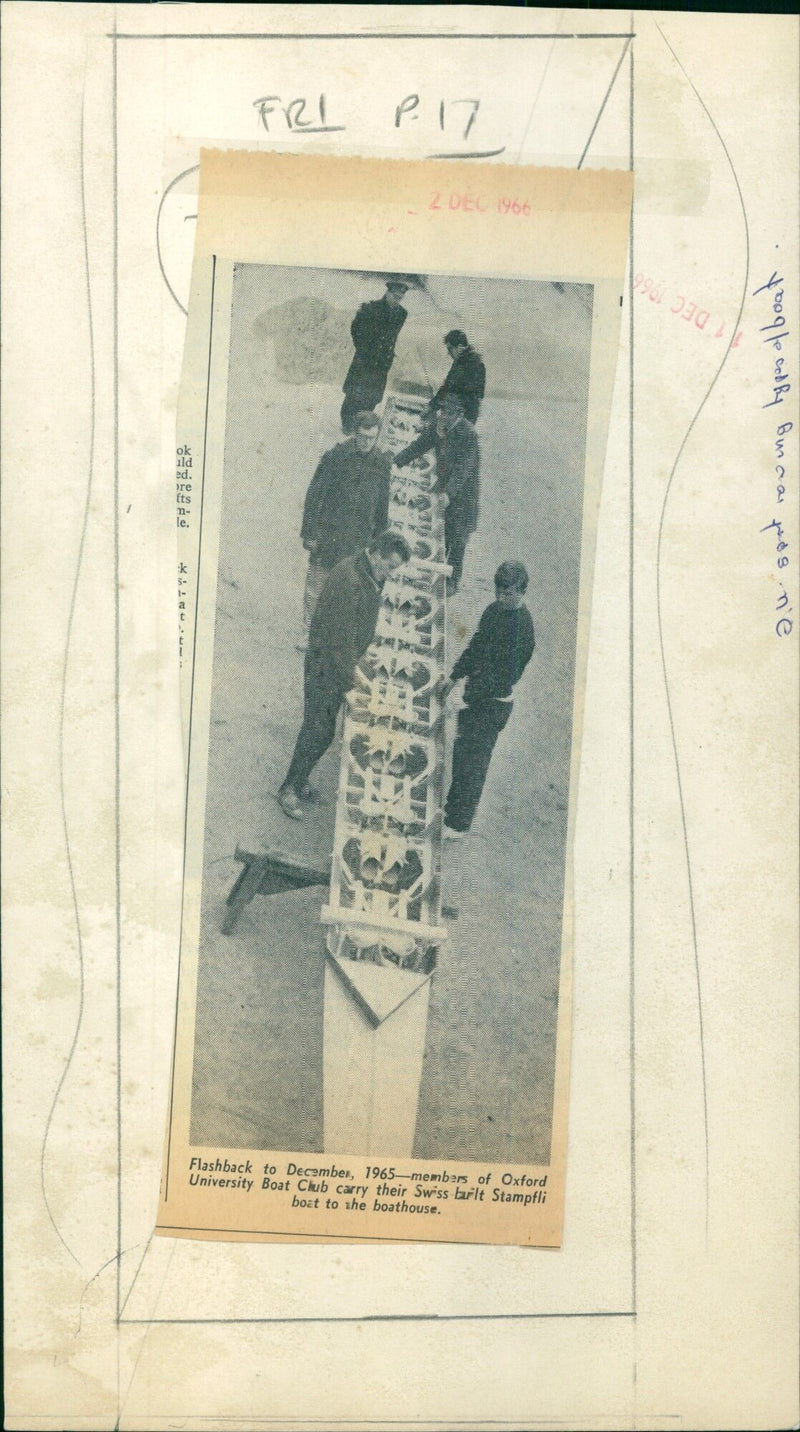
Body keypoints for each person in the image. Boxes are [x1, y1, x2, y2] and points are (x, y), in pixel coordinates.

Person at [278, 531, 412, 819]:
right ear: (376, 555)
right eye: (390, 566)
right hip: (325, 666)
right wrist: (352, 685)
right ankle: (289, 787)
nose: (390, 573)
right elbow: (340, 641)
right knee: (317, 729)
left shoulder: (369, 572)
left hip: (337, 664)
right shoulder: (350, 580)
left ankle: (300, 781)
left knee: (323, 731)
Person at [441, 561, 535, 839]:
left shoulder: (523, 630)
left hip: (492, 703)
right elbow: (477, 646)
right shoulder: (494, 611)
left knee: (473, 765)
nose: (501, 598)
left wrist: (467, 699)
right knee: (461, 757)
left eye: (508, 594)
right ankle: (449, 812)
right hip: (476, 695)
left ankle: (458, 825)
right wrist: (454, 676)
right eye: (498, 591)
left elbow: (505, 677)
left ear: (521, 592)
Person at [300, 412, 392, 633]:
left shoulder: (381, 465)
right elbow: (315, 495)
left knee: (346, 591)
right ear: (355, 433)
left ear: (377, 437)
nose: (366, 443)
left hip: (357, 541)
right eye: (362, 437)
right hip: (328, 536)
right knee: (317, 587)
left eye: (371, 438)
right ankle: (309, 633)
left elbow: (382, 509)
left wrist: (378, 544)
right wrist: (310, 532)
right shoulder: (336, 456)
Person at [394, 392, 479, 593]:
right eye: (441, 411)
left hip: (463, 497)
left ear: (459, 414)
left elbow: (463, 469)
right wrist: (395, 462)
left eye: (447, 413)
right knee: (442, 534)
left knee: (457, 540)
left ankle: (452, 580)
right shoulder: (441, 426)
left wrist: (448, 493)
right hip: (447, 492)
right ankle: (435, 572)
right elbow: (419, 446)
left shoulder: (469, 434)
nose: (442, 416)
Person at [341, 279, 409, 433]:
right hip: (364, 362)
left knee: (372, 397)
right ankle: (347, 426)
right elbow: (355, 328)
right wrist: (364, 350)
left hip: (381, 365)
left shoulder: (402, 314)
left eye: (400, 298)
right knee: (354, 395)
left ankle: (362, 427)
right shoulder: (371, 308)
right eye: (395, 296)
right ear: (388, 292)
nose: (397, 301)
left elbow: (392, 336)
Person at [429, 329, 486, 425]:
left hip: (464, 418)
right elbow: (447, 386)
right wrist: (432, 406)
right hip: (454, 415)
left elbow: (476, 396)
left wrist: (442, 404)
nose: (448, 353)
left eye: (450, 349)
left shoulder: (476, 365)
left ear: (459, 347)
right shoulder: (458, 363)